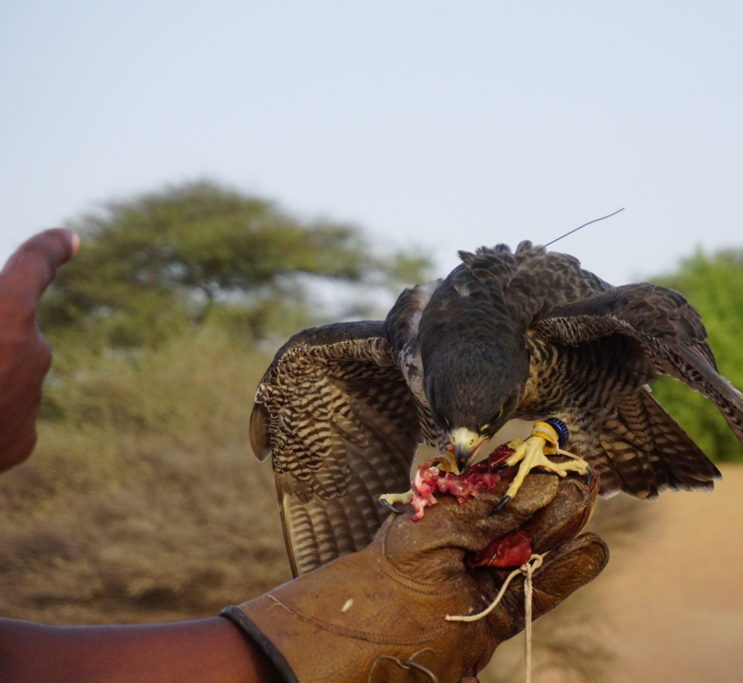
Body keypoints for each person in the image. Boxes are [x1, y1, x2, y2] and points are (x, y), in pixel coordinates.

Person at [0, 229, 608, 682]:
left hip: (573, 396)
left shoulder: (543, 315)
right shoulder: (409, 342)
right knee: (298, 386)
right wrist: (344, 619)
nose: (463, 445)